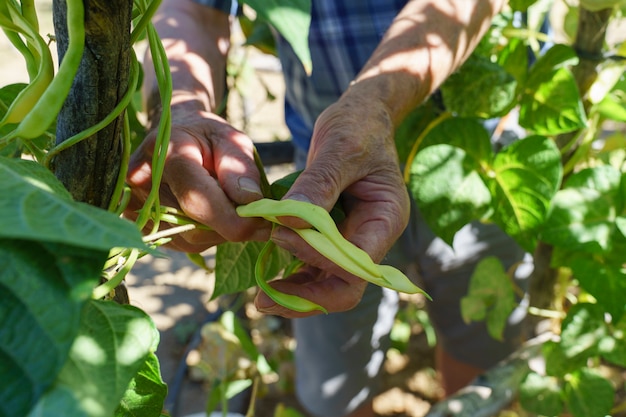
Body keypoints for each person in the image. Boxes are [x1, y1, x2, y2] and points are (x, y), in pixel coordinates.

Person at [126, 1, 531, 416]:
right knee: (335, 382)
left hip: (468, 164)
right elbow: (192, 9)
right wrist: (181, 110)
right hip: (325, 176)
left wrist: (376, 102)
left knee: (483, 350)